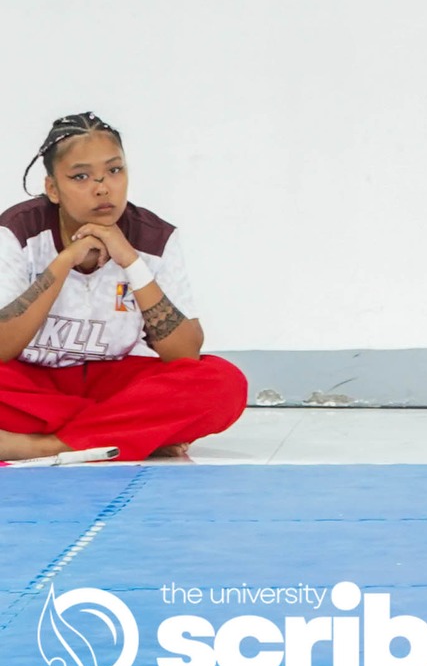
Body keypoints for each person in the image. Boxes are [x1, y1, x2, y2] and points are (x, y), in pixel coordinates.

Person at [0, 114, 246, 461]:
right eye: (80, 176)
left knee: (224, 384)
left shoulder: (154, 237)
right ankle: (126, 436)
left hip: (112, 386)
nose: (103, 188)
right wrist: (63, 262)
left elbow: (184, 354)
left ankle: (47, 445)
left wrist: (131, 261)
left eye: (115, 171)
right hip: (32, 385)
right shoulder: (17, 231)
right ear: (52, 188)